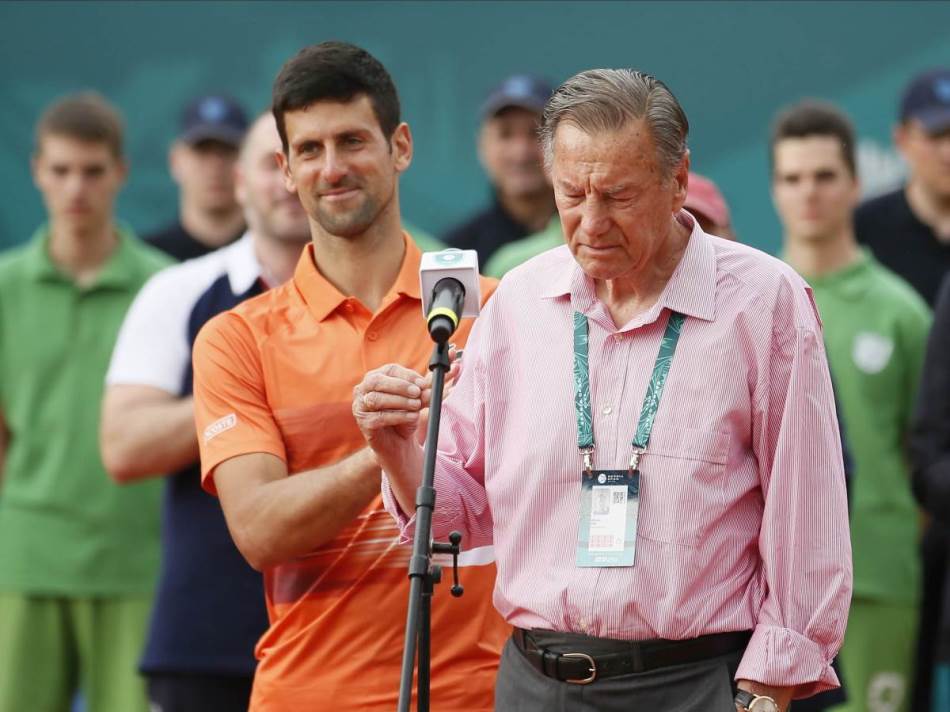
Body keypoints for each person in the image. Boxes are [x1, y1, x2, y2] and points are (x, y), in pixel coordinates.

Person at [354, 68, 852, 712]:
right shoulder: (518, 304)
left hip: (696, 682)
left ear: (677, 181)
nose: (590, 222)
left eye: (616, 195)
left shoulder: (764, 302)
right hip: (536, 681)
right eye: (571, 194)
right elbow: (461, 518)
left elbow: (807, 514)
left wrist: (768, 692)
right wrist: (397, 450)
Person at [190, 42, 509, 711]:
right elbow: (258, 531)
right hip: (307, 692)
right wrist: (384, 451)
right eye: (309, 150)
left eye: (352, 141)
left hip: (486, 694)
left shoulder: (499, 308)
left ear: (401, 146)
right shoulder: (235, 338)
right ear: (284, 169)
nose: (332, 168)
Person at [100, 112, 310, 711]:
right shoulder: (180, 291)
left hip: (347, 633)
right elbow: (123, 444)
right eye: (269, 164)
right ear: (238, 182)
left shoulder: (387, 295)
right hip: (205, 638)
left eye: (296, 161)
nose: (285, 181)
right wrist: (242, 394)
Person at [0, 92, 171, 712]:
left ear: (120, 173)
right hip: (23, 561)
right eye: (62, 170)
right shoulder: (4, 288)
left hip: (135, 562)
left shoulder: (165, 285)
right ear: (37, 171)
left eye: (93, 171)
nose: (77, 188)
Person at [772, 100, 930, 712]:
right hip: (775, 591)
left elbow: (927, 453)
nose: (808, 193)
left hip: (878, 575)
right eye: (791, 178)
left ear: (856, 184)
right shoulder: (754, 302)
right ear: (774, 189)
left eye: (824, 176)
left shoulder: (902, 312)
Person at [855, 67, 950, 711]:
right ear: (904, 141)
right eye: (938, 134)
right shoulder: (869, 230)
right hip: (901, 500)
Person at [484, 171, 734, 278]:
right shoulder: (518, 277)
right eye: (575, 194)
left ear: (729, 234)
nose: (593, 225)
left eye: (694, 226)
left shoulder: (759, 292)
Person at [443, 74, 556, 264]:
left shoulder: (594, 237)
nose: (521, 153)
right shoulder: (459, 253)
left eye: (536, 133)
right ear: (482, 146)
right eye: (505, 134)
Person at [145, 94, 249, 261]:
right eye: (202, 150)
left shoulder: (274, 254)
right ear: (175, 161)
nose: (215, 165)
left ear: (249, 160)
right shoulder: (149, 259)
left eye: (228, 150)